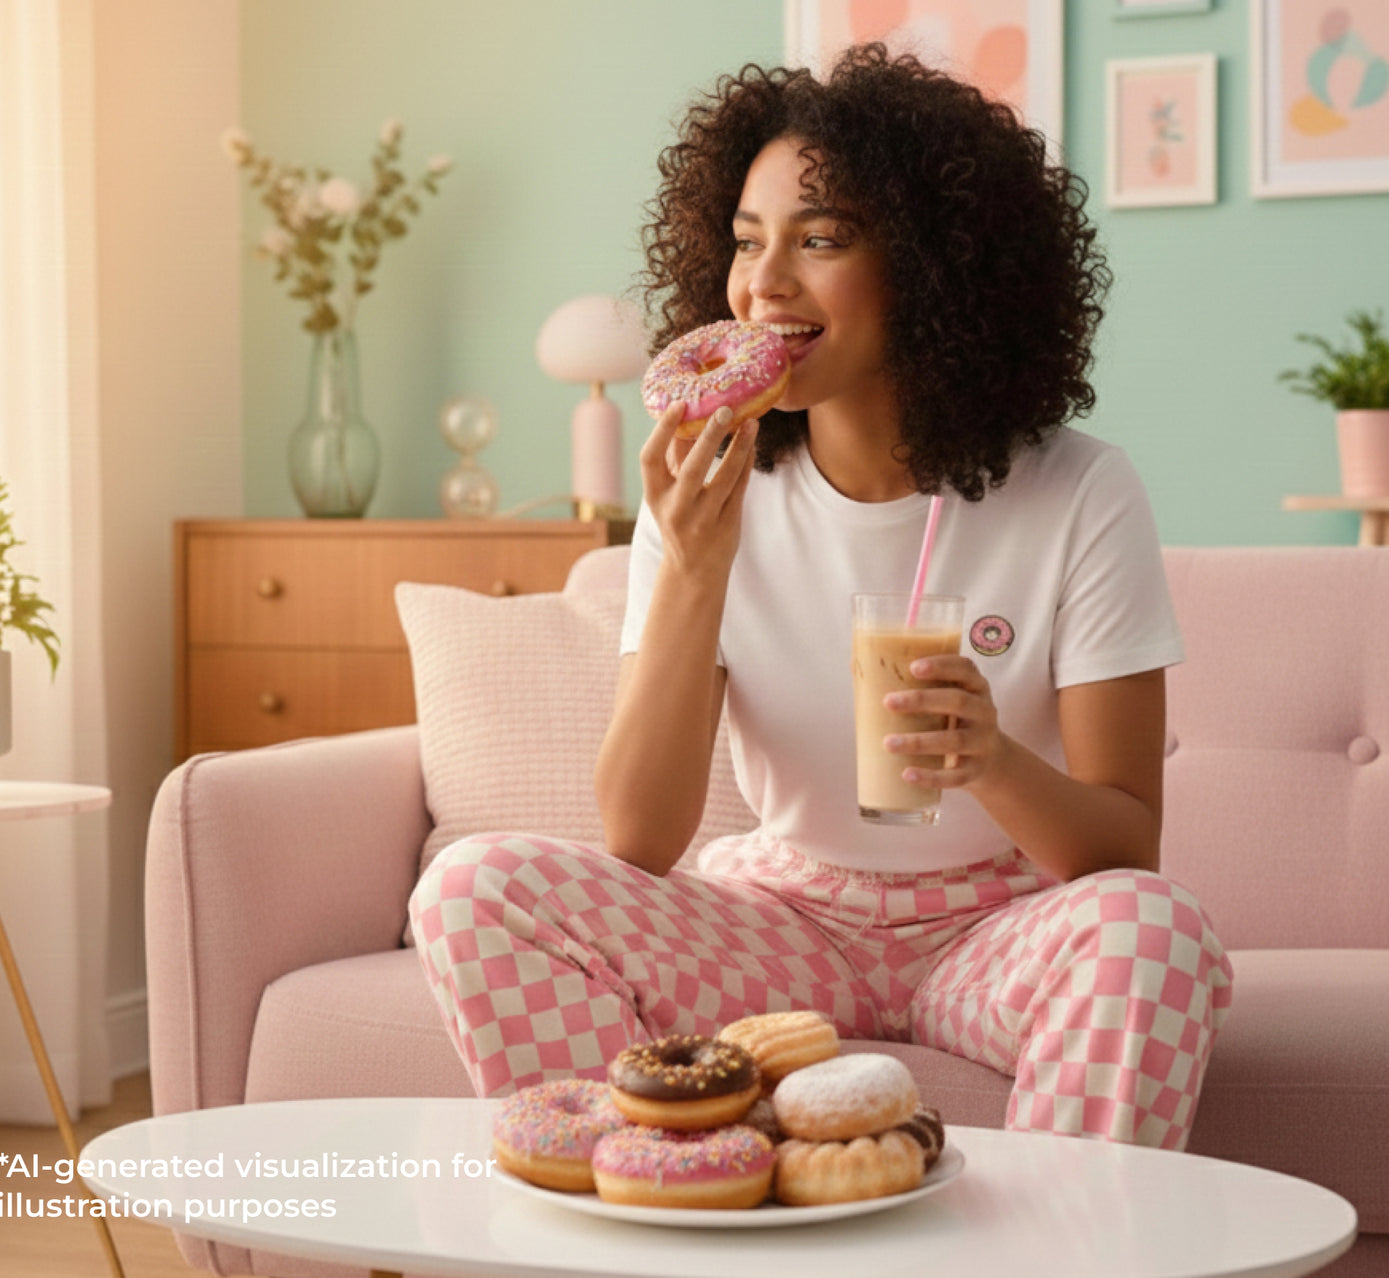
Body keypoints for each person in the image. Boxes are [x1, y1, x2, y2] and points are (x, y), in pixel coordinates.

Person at [410, 45, 1232, 1150]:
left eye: (821, 239)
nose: (764, 284)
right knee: (472, 886)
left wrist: (988, 757)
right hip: (780, 920)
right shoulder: (706, 483)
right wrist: (694, 571)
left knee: (1156, 929)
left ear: (934, 268)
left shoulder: (1076, 491)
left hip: (994, 926)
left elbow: (1122, 845)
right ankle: (655, 1212)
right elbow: (640, 836)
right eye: (747, 243)